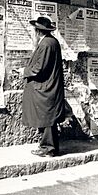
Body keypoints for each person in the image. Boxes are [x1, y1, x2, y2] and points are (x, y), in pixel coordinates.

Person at [21, 16, 65, 157]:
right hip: (49, 85)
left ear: (38, 31)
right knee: (46, 117)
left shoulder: (46, 44)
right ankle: (48, 147)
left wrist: (24, 71)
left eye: (35, 30)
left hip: (46, 87)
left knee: (47, 117)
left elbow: (40, 68)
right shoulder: (51, 42)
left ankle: (48, 148)